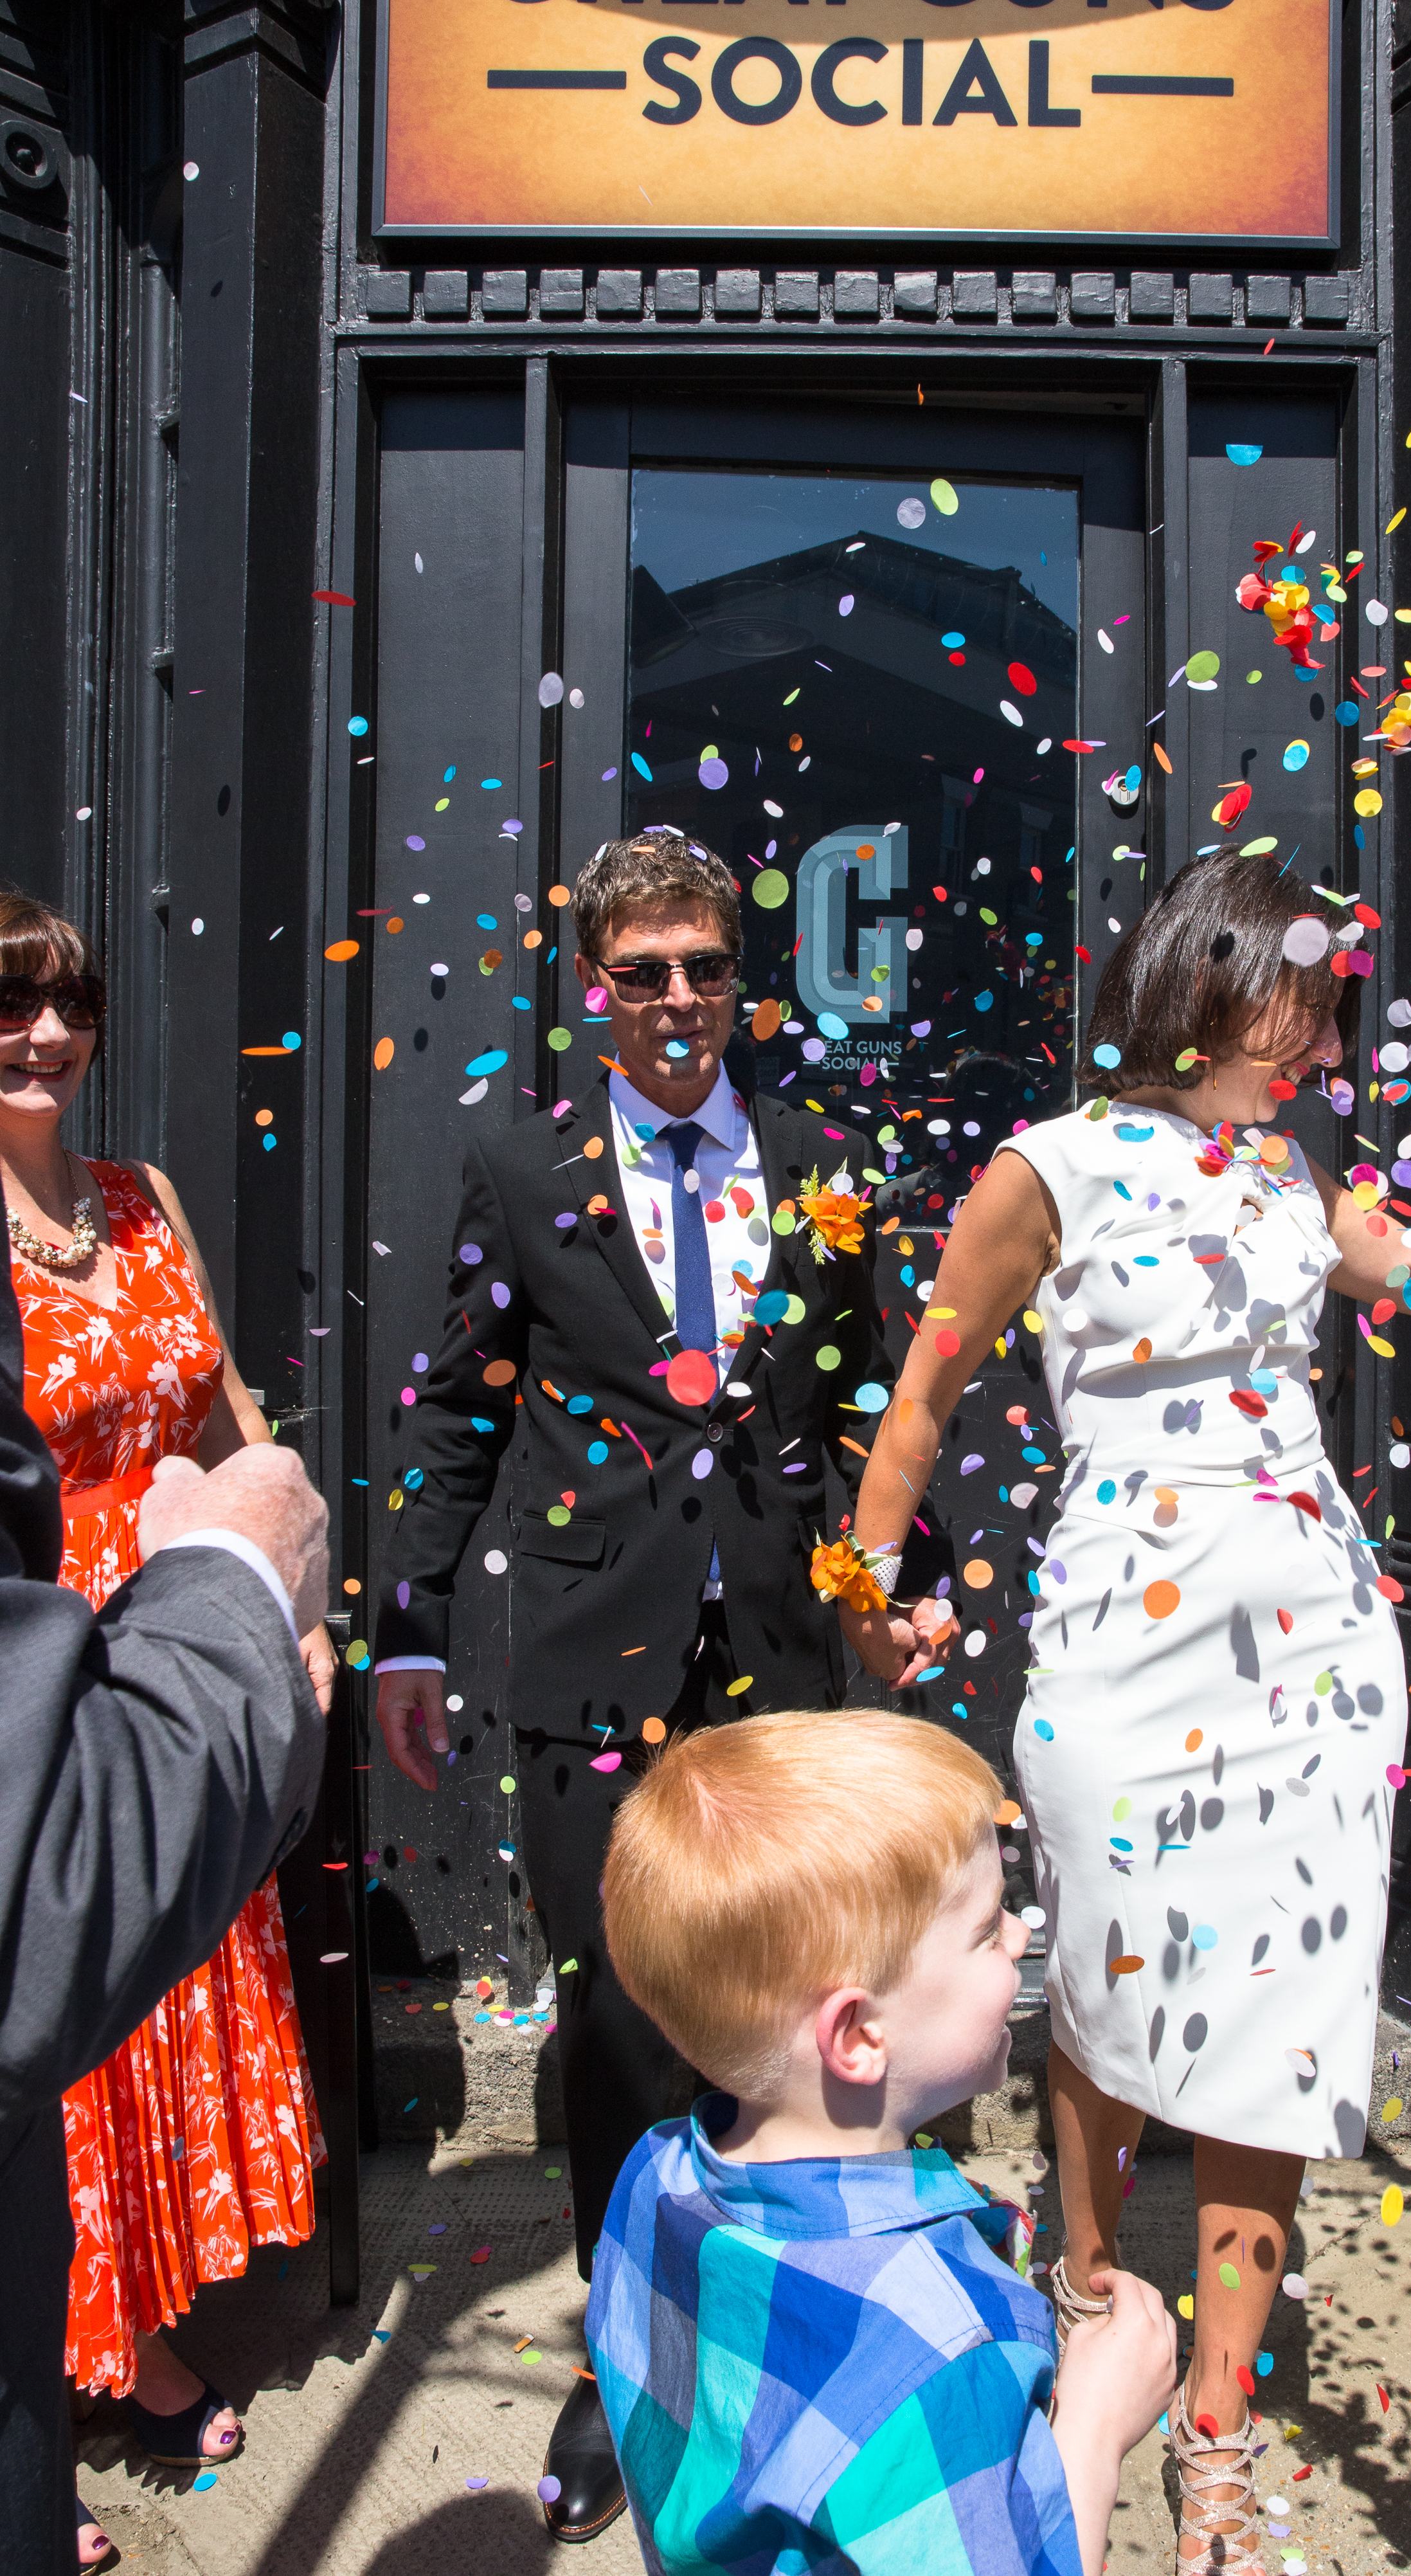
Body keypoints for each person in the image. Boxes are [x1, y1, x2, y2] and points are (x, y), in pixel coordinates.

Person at [841, 854, 1411, 2568]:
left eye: (1327, 1016)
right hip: (1119, 1644)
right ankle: (1092, 2295)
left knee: (1279, 2028)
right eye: (1301, 1007)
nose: (1321, 1044)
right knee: (1105, 1993)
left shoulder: (1286, 1167)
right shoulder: (1048, 1168)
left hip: (1313, 1651)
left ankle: (1217, 2424)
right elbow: (925, 1389)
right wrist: (867, 1580)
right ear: (1213, 980)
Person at [373, 832, 904, 2542]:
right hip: (585, 1654)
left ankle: (761, 2337)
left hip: (773, 1660)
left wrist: (907, 1574)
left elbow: (873, 1394)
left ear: (743, 979)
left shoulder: (823, 1163)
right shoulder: (520, 1162)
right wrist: (407, 1627)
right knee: (611, 2016)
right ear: (597, 989)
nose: (679, 998)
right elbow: (462, 1400)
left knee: (784, 2009)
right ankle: (624, 2362)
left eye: (705, 967)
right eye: (643, 972)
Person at [0, 892, 336, 2555]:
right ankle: (58, 2386)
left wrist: (295, 1602)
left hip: (186, 1634)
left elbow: (228, 1413)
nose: (48, 1034)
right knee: (64, 2017)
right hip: (51, 1651)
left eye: (70, 1003)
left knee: (161, 1990)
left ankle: (122, 2325)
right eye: (12, 1003)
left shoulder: (141, 1196)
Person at [589, 1710, 1177, 2576]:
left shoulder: (654, 2176)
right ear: (858, 2035)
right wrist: (1093, 2428)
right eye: (986, 1929)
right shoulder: (947, 2344)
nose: (1021, 1933)